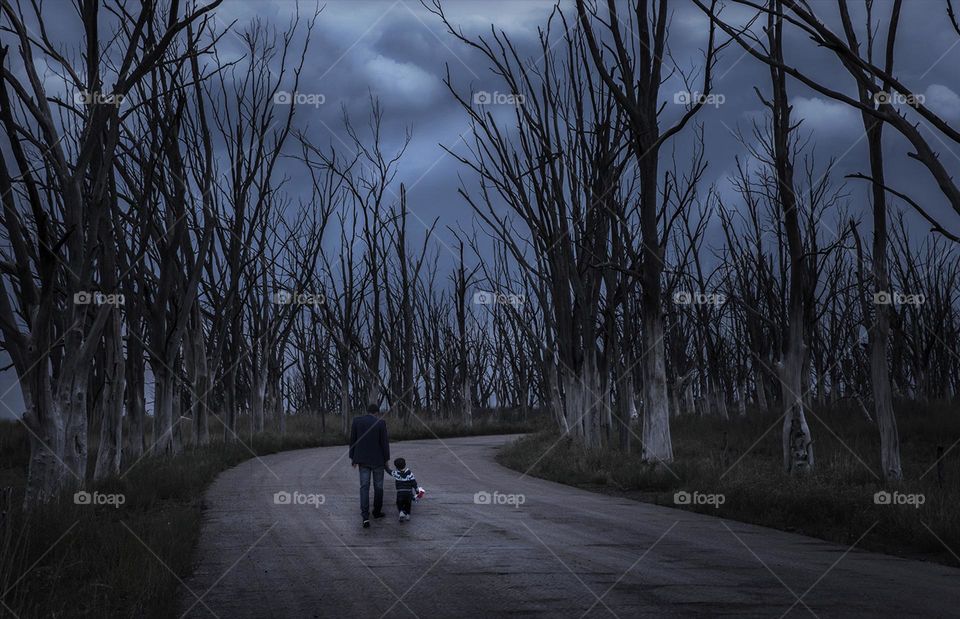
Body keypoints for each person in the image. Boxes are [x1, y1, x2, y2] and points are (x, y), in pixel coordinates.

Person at [349, 403, 390, 528]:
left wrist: (353, 458)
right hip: (378, 461)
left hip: (362, 461)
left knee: (364, 487)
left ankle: (365, 517)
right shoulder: (381, 423)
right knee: (378, 487)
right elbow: (384, 443)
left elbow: (353, 441)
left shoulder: (357, 421)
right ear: (377, 412)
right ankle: (376, 512)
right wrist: (386, 459)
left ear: (367, 411)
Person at [385, 457, 418, 522]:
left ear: (396, 467)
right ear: (405, 465)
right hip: (409, 492)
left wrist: (385, 467)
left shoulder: (396, 473)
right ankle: (408, 515)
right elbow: (413, 482)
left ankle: (401, 512)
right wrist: (416, 489)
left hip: (400, 492)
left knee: (399, 503)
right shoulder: (409, 473)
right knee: (408, 504)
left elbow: (389, 471)